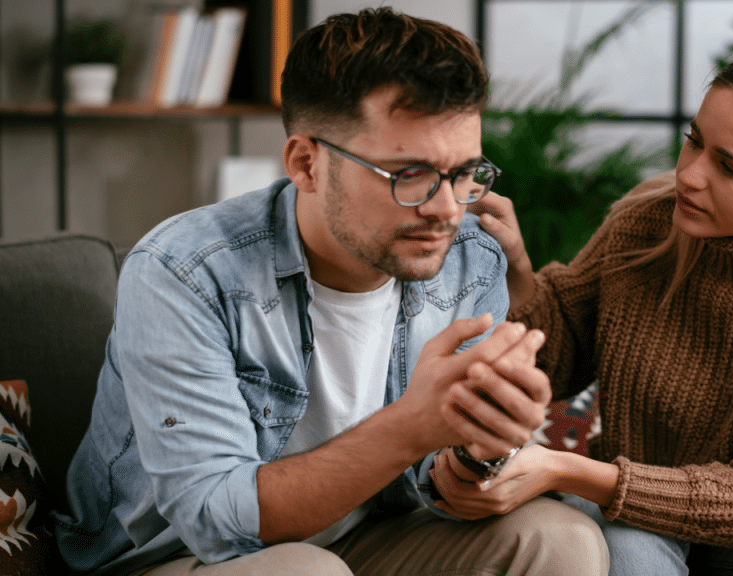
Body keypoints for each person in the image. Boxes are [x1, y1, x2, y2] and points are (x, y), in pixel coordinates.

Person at [53, 8, 608, 576]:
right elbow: (214, 518)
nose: (446, 208)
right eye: (408, 174)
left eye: (465, 173)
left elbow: (434, 480)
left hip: (365, 537)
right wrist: (413, 425)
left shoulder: (470, 258)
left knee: (561, 540)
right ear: (305, 163)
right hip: (177, 556)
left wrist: (477, 452)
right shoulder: (183, 272)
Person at [435, 47, 733, 575]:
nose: (690, 175)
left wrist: (568, 471)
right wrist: (517, 268)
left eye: (730, 168)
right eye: (694, 142)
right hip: (633, 513)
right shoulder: (649, 222)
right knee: (631, 551)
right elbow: (556, 359)